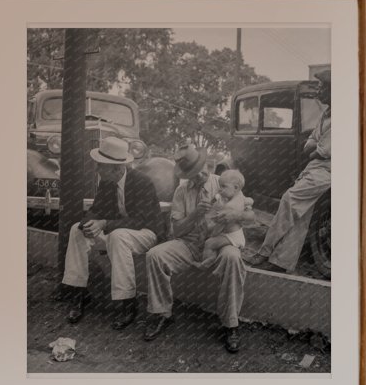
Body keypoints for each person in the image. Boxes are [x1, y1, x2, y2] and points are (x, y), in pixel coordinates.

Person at [141, 148, 257, 353]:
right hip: (190, 243)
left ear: (207, 165)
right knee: (155, 255)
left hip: (219, 242)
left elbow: (251, 217)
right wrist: (195, 215)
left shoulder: (224, 182)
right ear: (187, 175)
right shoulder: (181, 191)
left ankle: (230, 323)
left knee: (233, 257)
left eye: (203, 170)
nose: (202, 176)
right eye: (196, 174)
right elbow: (176, 231)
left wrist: (234, 216)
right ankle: (161, 313)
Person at [60, 135, 164, 327]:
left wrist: (104, 224)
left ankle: (127, 303)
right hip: (120, 232)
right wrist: (87, 223)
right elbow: (96, 210)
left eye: (101, 165)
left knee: (118, 236)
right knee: (76, 230)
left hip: (146, 233)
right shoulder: (107, 182)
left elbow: (140, 221)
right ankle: (78, 294)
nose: (97, 169)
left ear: (117, 168)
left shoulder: (142, 182)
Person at [248, 69, 331, 274]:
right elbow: (309, 144)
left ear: (332, 90)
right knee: (301, 214)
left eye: (322, 87)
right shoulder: (327, 114)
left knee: (289, 199)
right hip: (317, 168)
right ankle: (280, 262)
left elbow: (319, 151)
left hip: (328, 170)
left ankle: (265, 252)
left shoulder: (343, 116)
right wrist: (314, 148)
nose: (318, 90)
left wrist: (314, 149)